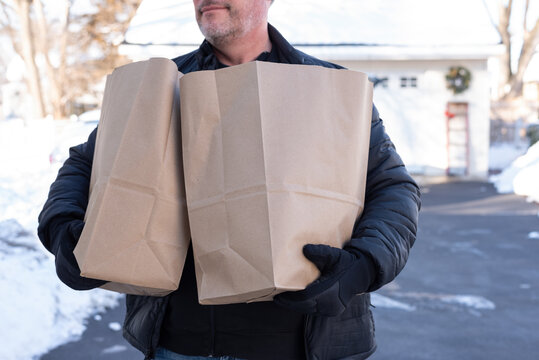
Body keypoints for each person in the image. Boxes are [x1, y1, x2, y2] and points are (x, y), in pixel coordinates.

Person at [38, 1, 421, 359]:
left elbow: (393, 188)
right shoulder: (157, 88)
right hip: (178, 343)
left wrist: (365, 264)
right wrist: (62, 230)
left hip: (301, 346)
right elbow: (85, 164)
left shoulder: (331, 90)